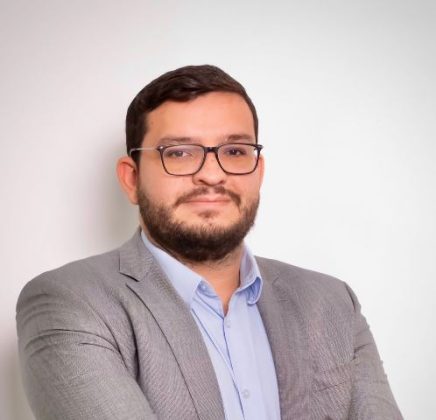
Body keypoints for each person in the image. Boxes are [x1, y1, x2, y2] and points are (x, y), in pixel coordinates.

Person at [16, 65, 402, 420]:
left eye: (234, 151)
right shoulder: (69, 303)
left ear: (258, 172)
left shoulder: (333, 302)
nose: (212, 175)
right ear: (132, 179)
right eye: (180, 153)